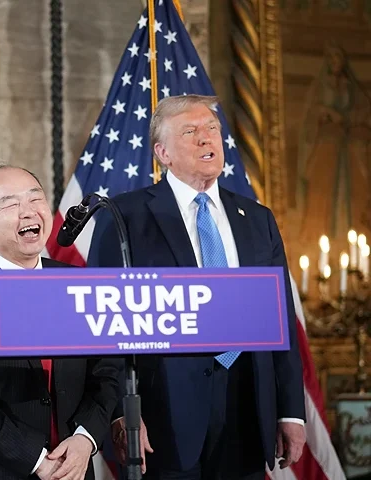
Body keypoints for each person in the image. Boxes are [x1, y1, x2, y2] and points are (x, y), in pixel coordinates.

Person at [88, 94, 306, 479]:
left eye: (212, 130)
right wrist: (123, 412)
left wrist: (290, 410)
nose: (207, 140)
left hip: (248, 405)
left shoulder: (257, 219)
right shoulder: (125, 216)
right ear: (163, 153)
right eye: (191, 132)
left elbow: (281, 319)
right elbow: (106, 323)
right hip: (163, 414)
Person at [0, 164, 122, 480]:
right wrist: (37, 461)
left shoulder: (80, 283)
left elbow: (107, 370)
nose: (28, 212)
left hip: (76, 467)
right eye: (10, 204)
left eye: (35, 200)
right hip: (1, 471)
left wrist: (85, 438)